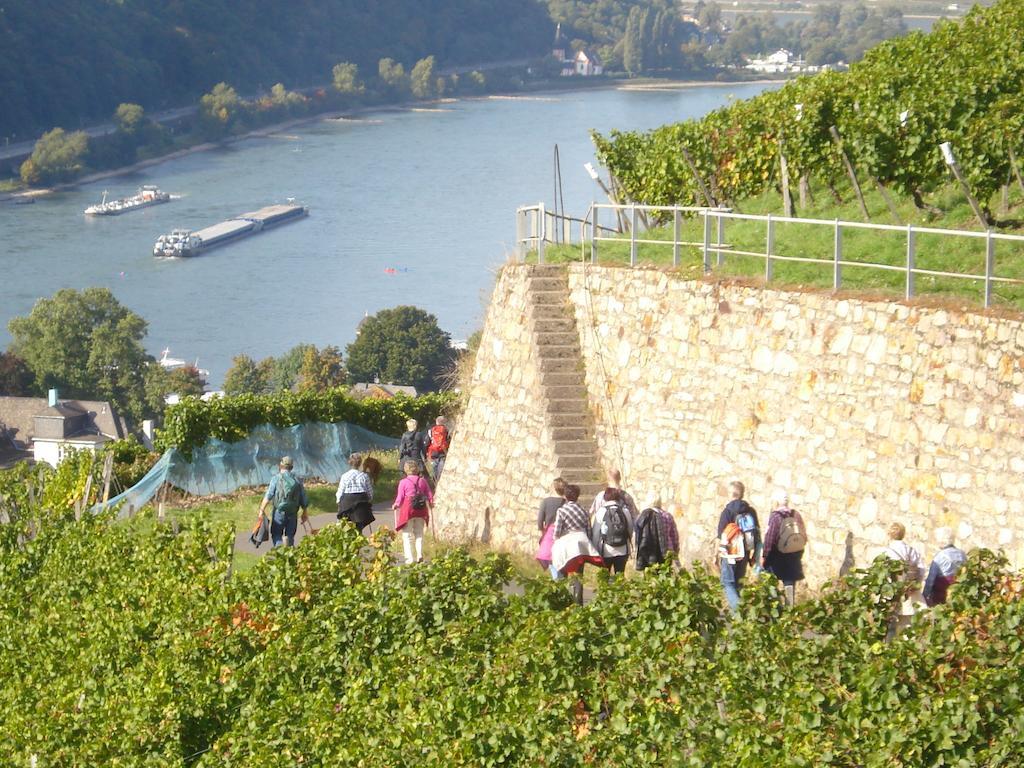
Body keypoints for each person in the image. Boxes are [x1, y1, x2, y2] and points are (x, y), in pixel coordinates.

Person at [550, 484, 602, 604]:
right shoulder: (584, 511)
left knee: (562, 571)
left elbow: (556, 532)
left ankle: (562, 601)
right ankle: (578, 602)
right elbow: (589, 531)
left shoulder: (562, 510)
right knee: (578, 575)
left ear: (565, 496)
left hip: (566, 544)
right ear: (578, 496)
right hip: (580, 545)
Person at [716, 480, 760, 613]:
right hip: (745, 552)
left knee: (727, 583)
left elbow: (721, 536)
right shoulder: (751, 511)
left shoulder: (728, 511)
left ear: (731, 494)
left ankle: (740, 612)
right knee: (738, 583)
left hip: (730, 553)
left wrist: (715, 555)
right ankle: (743, 616)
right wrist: (754, 555)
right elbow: (756, 534)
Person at [761, 489, 806, 607]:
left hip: (777, 556)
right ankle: (789, 609)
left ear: (776, 501)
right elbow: (803, 536)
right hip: (793, 556)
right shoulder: (796, 515)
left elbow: (769, 539)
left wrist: (764, 556)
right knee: (789, 581)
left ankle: (776, 605)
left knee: (768, 579)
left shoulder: (775, 516)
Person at [257, 456, 309, 548]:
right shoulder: (297, 480)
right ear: (291, 467)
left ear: (280, 466)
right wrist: (305, 512)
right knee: (290, 536)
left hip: (279, 512)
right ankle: (290, 556)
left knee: (276, 534)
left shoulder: (276, 479)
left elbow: (268, 496)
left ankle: (280, 554)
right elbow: (303, 497)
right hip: (293, 513)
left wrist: (261, 510)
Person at [392, 459, 433, 564]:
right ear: (417, 469)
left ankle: (410, 558)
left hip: (408, 510)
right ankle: (419, 555)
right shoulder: (422, 481)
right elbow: (428, 493)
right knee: (419, 533)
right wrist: (431, 502)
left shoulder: (403, 482)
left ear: (406, 470)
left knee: (407, 534)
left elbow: (400, 497)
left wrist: (396, 505)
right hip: (420, 509)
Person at [591, 487, 633, 576]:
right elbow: (630, 529)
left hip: (606, 549)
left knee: (604, 578)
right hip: (623, 549)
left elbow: (595, 533)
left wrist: (595, 550)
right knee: (620, 578)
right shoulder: (624, 510)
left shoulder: (601, 511)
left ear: (605, 498)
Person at [634, 492, 679, 572]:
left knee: (650, 578)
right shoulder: (667, 516)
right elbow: (674, 536)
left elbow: (637, 533)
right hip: (667, 552)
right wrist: (675, 550)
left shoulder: (643, 516)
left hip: (649, 552)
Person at [923, 527, 967, 607]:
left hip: (942, 594)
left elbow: (930, 579)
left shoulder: (939, 557)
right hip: (959, 592)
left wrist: (925, 596)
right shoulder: (962, 554)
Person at [335, 453, 375, 535]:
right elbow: (370, 492)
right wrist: (369, 501)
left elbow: (340, 491)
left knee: (346, 527)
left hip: (347, 504)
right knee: (358, 527)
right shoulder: (364, 476)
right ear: (360, 463)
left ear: (349, 463)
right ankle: (357, 540)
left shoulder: (345, 476)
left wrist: (338, 502)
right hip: (361, 504)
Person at [535, 477, 566, 570]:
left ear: (553, 488)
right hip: (563, 534)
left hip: (549, 534)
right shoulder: (566, 502)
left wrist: (542, 531)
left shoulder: (546, 502)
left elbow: (540, 522)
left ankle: (557, 580)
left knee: (551, 559)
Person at [425, 416, 451, 481]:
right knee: (441, 470)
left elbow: (427, 442)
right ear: (444, 422)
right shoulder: (447, 430)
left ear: (436, 422)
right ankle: (439, 482)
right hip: (443, 452)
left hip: (433, 452)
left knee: (434, 469)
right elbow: (449, 441)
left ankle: (434, 482)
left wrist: (426, 452)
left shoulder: (431, 430)